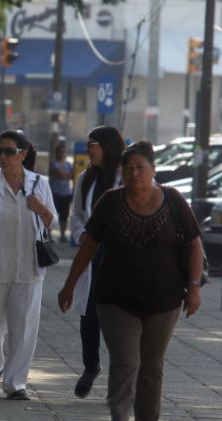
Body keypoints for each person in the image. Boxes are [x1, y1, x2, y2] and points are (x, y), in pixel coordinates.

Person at [58, 141, 203, 421]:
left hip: (164, 301)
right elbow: (89, 246)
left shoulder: (174, 201)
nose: (134, 173)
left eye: (140, 167)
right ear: (121, 173)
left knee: (151, 367)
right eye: (128, 168)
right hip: (115, 299)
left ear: (153, 170)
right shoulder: (110, 202)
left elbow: (194, 244)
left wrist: (194, 287)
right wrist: (69, 285)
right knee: (126, 361)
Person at [0, 130, 57, 400]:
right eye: (0, 151)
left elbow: (55, 223)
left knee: (23, 328)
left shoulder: (40, 184)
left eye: (9, 151)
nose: (3, 157)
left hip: (28, 269)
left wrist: (42, 209)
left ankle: (16, 383)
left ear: (23, 154)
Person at [69, 126, 125, 399]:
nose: (88, 149)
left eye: (92, 144)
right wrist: (83, 234)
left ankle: (122, 378)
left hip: (121, 259)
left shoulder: (126, 177)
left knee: (119, 323)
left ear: (108, 147)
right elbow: (77, 214)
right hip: (93, 257)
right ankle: (91, 367)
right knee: (89, 317)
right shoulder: (85, 179)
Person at [49, 143, 74, 243]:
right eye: (59, 152)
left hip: (66, 194)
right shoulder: (53, 163)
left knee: (64, 215)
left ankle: (63, 235)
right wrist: (67, 175)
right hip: (55, 193)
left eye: (63, 152)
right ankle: (49, 234)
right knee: (52, 214)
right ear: (56, 153)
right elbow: (59, 174)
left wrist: (66, 175)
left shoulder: (68, 164)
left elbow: (73, 176)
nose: (61, 154)